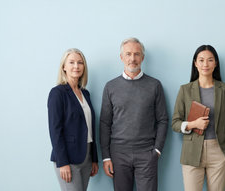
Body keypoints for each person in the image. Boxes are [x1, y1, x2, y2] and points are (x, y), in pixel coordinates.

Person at [100, 37, 168, 191]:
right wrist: (106, 156)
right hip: (118, 154)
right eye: (128, 54)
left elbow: (163, 120)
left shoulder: (154, 85)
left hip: (146, 153)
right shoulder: (110, 87)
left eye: (137, 54)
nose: (132, 59)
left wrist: (156, 151)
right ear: (121, 57)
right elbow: (104, 123)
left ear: (142, 58)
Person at [171, 45, 225, 191]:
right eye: (201, 60)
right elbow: (175, 123)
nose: (205, 64)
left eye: (210, 60)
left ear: (216, 63)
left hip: (219, 150)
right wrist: (193, 124)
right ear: (195, 63)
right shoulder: (185, 90)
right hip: (192, 150)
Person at [48, 48, 99, 191]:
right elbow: (55, 130)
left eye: (80, 63)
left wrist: (94, 158)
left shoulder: (85, 93)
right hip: (68, 158)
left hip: (86, 156)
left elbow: (90, 127)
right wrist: (62, 162)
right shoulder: (57, 93)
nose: (76, 66)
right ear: (64, 67)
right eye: (71, 62)